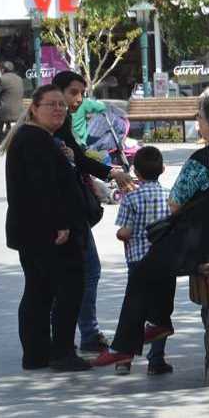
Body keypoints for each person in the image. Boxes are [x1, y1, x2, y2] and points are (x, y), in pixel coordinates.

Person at [94, 94, 209, 368]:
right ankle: (159, 322)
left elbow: (174, 204)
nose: (197, 121)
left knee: (145, 269)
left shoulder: (203, 158)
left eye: (199, 116)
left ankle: (125, 345)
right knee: (163, 257)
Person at [3, 85, 93, 371]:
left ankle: (38, 353)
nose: (58, 110)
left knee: (40, 290)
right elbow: (44, 188)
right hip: (48, 232)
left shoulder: (39, 138)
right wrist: (61, 224)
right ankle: (61, 352)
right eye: (51, 105)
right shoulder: (34, 140)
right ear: (34, 108)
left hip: (34, 230)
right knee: (67, 288)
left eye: (61, 106)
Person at [51, 70, 136, 353]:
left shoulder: (62, 125)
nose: (77, 100)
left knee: (81, 274)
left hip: (70, 213)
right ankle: (76, 337)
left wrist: (111, 172)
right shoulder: (46, 130)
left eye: (81, 94)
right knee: (84, 273)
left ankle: (79, 335)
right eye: (73, 93)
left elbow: (80, 158)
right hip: (63, 215)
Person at [113, 146, 174, 376]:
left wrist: (120, 235)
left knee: (135, 309)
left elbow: (125, 232)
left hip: (138, 262)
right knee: (159, 314)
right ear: (163, 169)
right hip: (164, 262)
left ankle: (124, 359)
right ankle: (156, 360)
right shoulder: (170, 196)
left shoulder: (131, 198)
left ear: (136, 172)